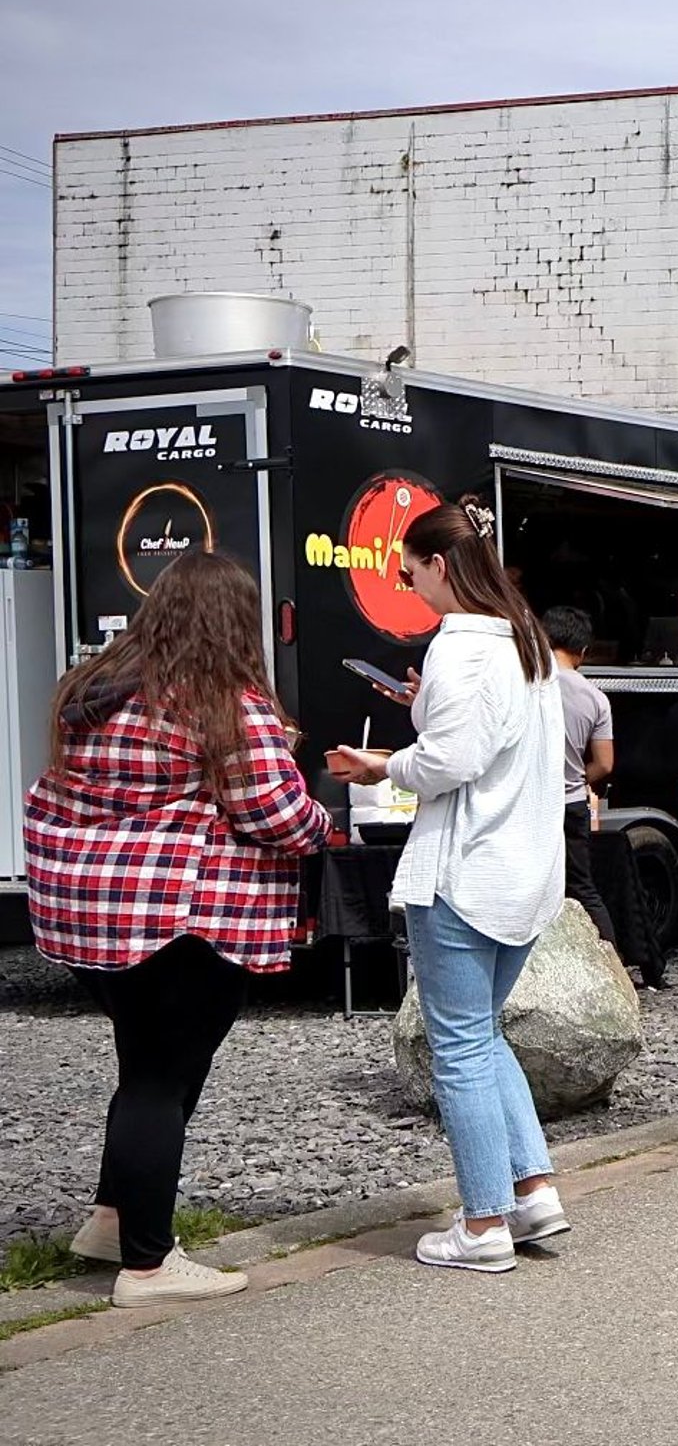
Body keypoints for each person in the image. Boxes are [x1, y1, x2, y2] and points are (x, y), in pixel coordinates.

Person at [28, 553, 333, 1308]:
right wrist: (327, 821)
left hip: (91, 915)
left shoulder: (94, 692)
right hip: (178, 919)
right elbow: (275, 812)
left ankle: (111, 1220)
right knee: (163, 1079)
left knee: (144, 1065)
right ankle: (149, 1263)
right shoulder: (224, 701)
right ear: (234, 621)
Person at [330, 498, 569, 1274]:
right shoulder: (524, 639)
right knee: (483, 1031)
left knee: (460, 1045)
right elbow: (485, 739)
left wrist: (383, 763)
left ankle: (483, 1222)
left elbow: (448, 762)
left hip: (466, 873)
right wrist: (425, 711)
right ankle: (531, 1191)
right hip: (528, 872)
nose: (411, 588)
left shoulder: (459, 646)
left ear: (440, 565)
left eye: (410, 573)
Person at [541, 606, 618, 949]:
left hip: (532, 802)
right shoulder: (596, 698)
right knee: (583, 888)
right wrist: (575, 777)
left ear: (544, 639)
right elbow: (604, 764)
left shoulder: (529, 685)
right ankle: (612, 963)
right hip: (573, 803)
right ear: (583, 650)